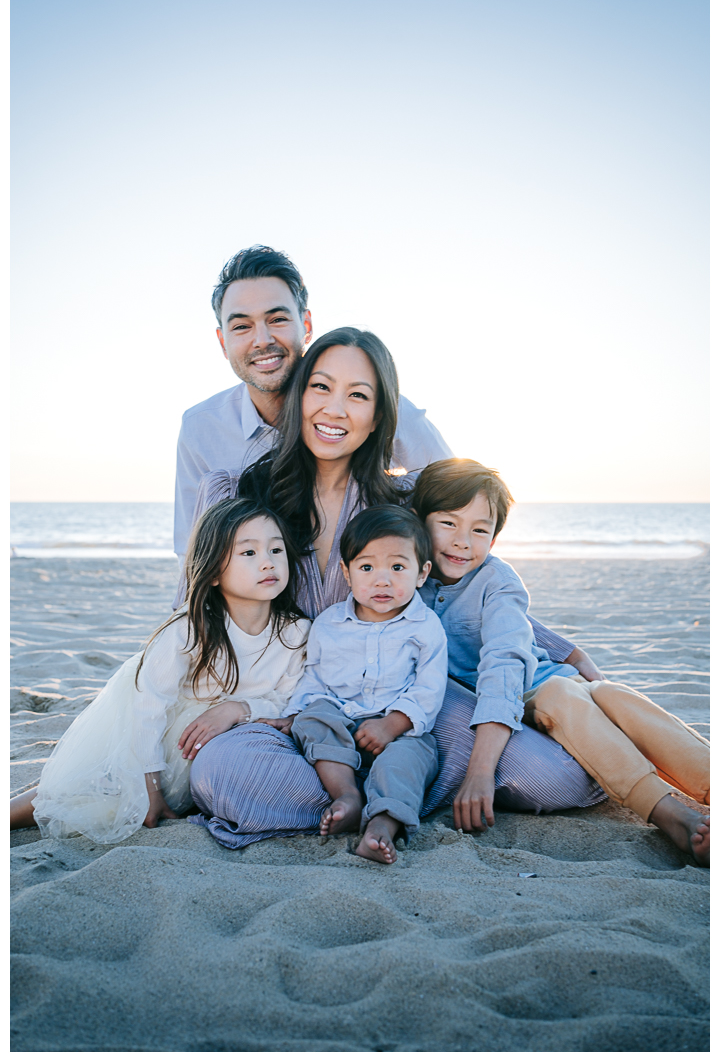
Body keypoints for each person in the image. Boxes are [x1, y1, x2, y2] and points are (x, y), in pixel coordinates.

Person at [188, 330, 605, 850]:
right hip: (308, 701)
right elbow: (202, 598)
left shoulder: (403, 500)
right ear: (298, 397)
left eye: (358, 395)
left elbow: (467, 580)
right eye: (320, 387)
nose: (335, 409)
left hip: (406, 697)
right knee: (221, 773)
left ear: (380, 414)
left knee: (555, 779)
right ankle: (373, 793)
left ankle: (388, 785)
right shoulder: (245, 493)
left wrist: (562, 649)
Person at [413, 457, 710, 867]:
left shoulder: (498, 579)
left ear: (495, 540)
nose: (464, 541)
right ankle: (666, 811)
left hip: (540, 684)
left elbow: (506, 660)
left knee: (612, 694)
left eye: (480, 530)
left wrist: (481, 770)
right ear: (418, 520)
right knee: (565, 694)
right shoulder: (405, 580)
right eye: (448, 523)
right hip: (547, 693)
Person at [10, 499, 310, 843]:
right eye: (248, 553)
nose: (268, 562)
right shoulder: (189, 629)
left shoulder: (296, 633)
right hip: (166, 748)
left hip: (226, 746)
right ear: (212, 572)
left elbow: (289, 703)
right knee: (85, 794)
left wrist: (238, 709)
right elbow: (148, 706)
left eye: (276, 549)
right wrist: (151, 786)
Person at [173, 244, 453, 567]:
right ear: (223, 342)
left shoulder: (380, 408)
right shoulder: (201, 429)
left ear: (306, 326)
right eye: (241, 326)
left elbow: (459, 508)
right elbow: (192, 555)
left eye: (277, 319)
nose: (262, 339)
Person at [260, 505, 447, 865]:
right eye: (366, 568)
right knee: (315, 720)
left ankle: (382, 825)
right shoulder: (330, 623)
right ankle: (346, 795)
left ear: (422, 573)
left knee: (409, 760)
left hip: (399, 728)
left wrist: (394, 724)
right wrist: (295, 713)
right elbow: (314, 676)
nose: (382, 580)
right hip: (341, 714)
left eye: (397, 567)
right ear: (346, 572)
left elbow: (430, 686)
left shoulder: (425, 627)